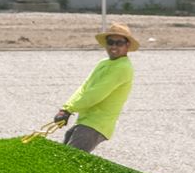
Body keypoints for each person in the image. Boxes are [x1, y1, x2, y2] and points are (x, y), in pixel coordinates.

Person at [52, 22, 138, 153]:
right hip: (86, 120)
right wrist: (65, 108)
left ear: (127, 45)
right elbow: (84, 88)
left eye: (119, 43)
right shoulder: (103, 63)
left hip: (97, 124)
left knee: (69, 162)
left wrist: (69, 110)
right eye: (110, 42)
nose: (114, 46)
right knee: (64, 156)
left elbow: (96, 94)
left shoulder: (123, 68)